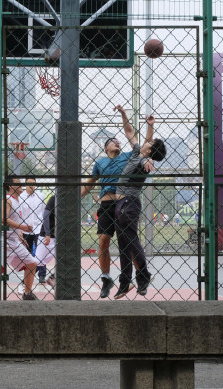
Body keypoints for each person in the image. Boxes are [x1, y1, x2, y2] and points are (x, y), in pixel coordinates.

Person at [81, 108, 154, 299]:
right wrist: (73, 198)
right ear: (106, 148)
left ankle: (140, 277)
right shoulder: (100, 163)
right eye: (113, 141)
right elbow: (89, 184)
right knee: (103, 240)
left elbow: (134, 136)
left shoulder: (128, 156)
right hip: (106, 206)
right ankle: (106, 278)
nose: (117, 141)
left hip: (123, 203)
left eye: (118, 140)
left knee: (129, 242)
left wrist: (124, 116)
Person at [112, 105, 166, 299]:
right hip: (120, 204)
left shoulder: (143, 160)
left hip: (129, 204)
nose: (145, 142)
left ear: (150, 150)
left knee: (132, 241)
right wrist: (124, 114)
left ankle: (143, 277)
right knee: (123, 244)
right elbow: (129, 132)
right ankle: (125, 282)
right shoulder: (136, 153)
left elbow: (147, 162)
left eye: (149, 143)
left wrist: (149, 162)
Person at [0, 177, 39, 301]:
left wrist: (19, 234)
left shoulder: (17, 201)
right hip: (2, 241)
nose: (21, 185)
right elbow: (2, 219)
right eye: (18, 183)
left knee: (32, 263)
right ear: (10, 186)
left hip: (14, 241)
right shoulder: (8, 200)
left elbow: (14, 220)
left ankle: (27, 294)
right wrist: (23, 227)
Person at [19, 177, 46, 282]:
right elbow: (19, 213)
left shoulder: (41, 196)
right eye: (29, 183)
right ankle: (28, 275)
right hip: (26, 228)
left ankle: (42, 275)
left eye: (33, 183)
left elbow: (44, 211)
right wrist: (20, 228)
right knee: (27, 254)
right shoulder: (21, 197)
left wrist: (45, 227)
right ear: (25, 184)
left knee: (41, 252)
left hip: (39, 228)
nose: (31, 186)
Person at [34, 195, 57, 288]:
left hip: (59, 236)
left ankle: (52, 277)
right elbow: (46, 215)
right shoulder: (54, 198)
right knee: (37, 261)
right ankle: (24, 283)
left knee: (67, 259)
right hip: (47, 236)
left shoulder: (69, 200)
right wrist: (47, 233)